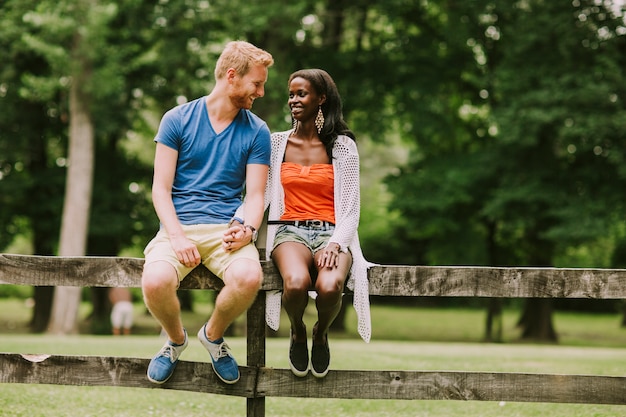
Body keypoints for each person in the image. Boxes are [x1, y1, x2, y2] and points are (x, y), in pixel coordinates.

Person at [141, 40, 274, 385]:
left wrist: (248, 227)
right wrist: (176, 235)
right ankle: (174, 339)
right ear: (232, 76)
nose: (260, 92)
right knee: (154, 281)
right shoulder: (177, 119)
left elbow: (257, 194)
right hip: (177, 227)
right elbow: (160, 189)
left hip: (225, 230)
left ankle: (212, 336)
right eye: (256, 83)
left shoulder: (257, 130)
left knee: (249, 278)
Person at [263, 69, 372, 378]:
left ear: (321, 99)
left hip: (333, 233)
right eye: (291, 94)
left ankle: (320, 332)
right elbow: (260, 195)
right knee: (295, 283)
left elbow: (351, 209)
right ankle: (297, 330)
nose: (293, 100)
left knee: (330, 285)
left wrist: (335, 244)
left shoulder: (343, 147)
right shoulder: (276, 144)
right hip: (290, 231)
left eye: (301, 94)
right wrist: (239, 222)